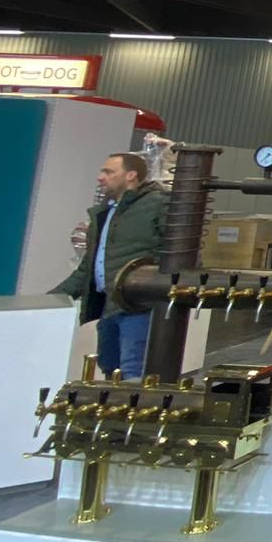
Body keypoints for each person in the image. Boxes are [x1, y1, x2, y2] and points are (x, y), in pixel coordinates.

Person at [49, 153, 168, 379]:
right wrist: (51, 299)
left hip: (138, 307)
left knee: (132, 371)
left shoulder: (158, 203)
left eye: (108, 172)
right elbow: (88, 267)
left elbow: (174, 253)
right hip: (109, 306)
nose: (100, 177)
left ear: (131, 175)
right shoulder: (106, 212)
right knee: (111, 370)